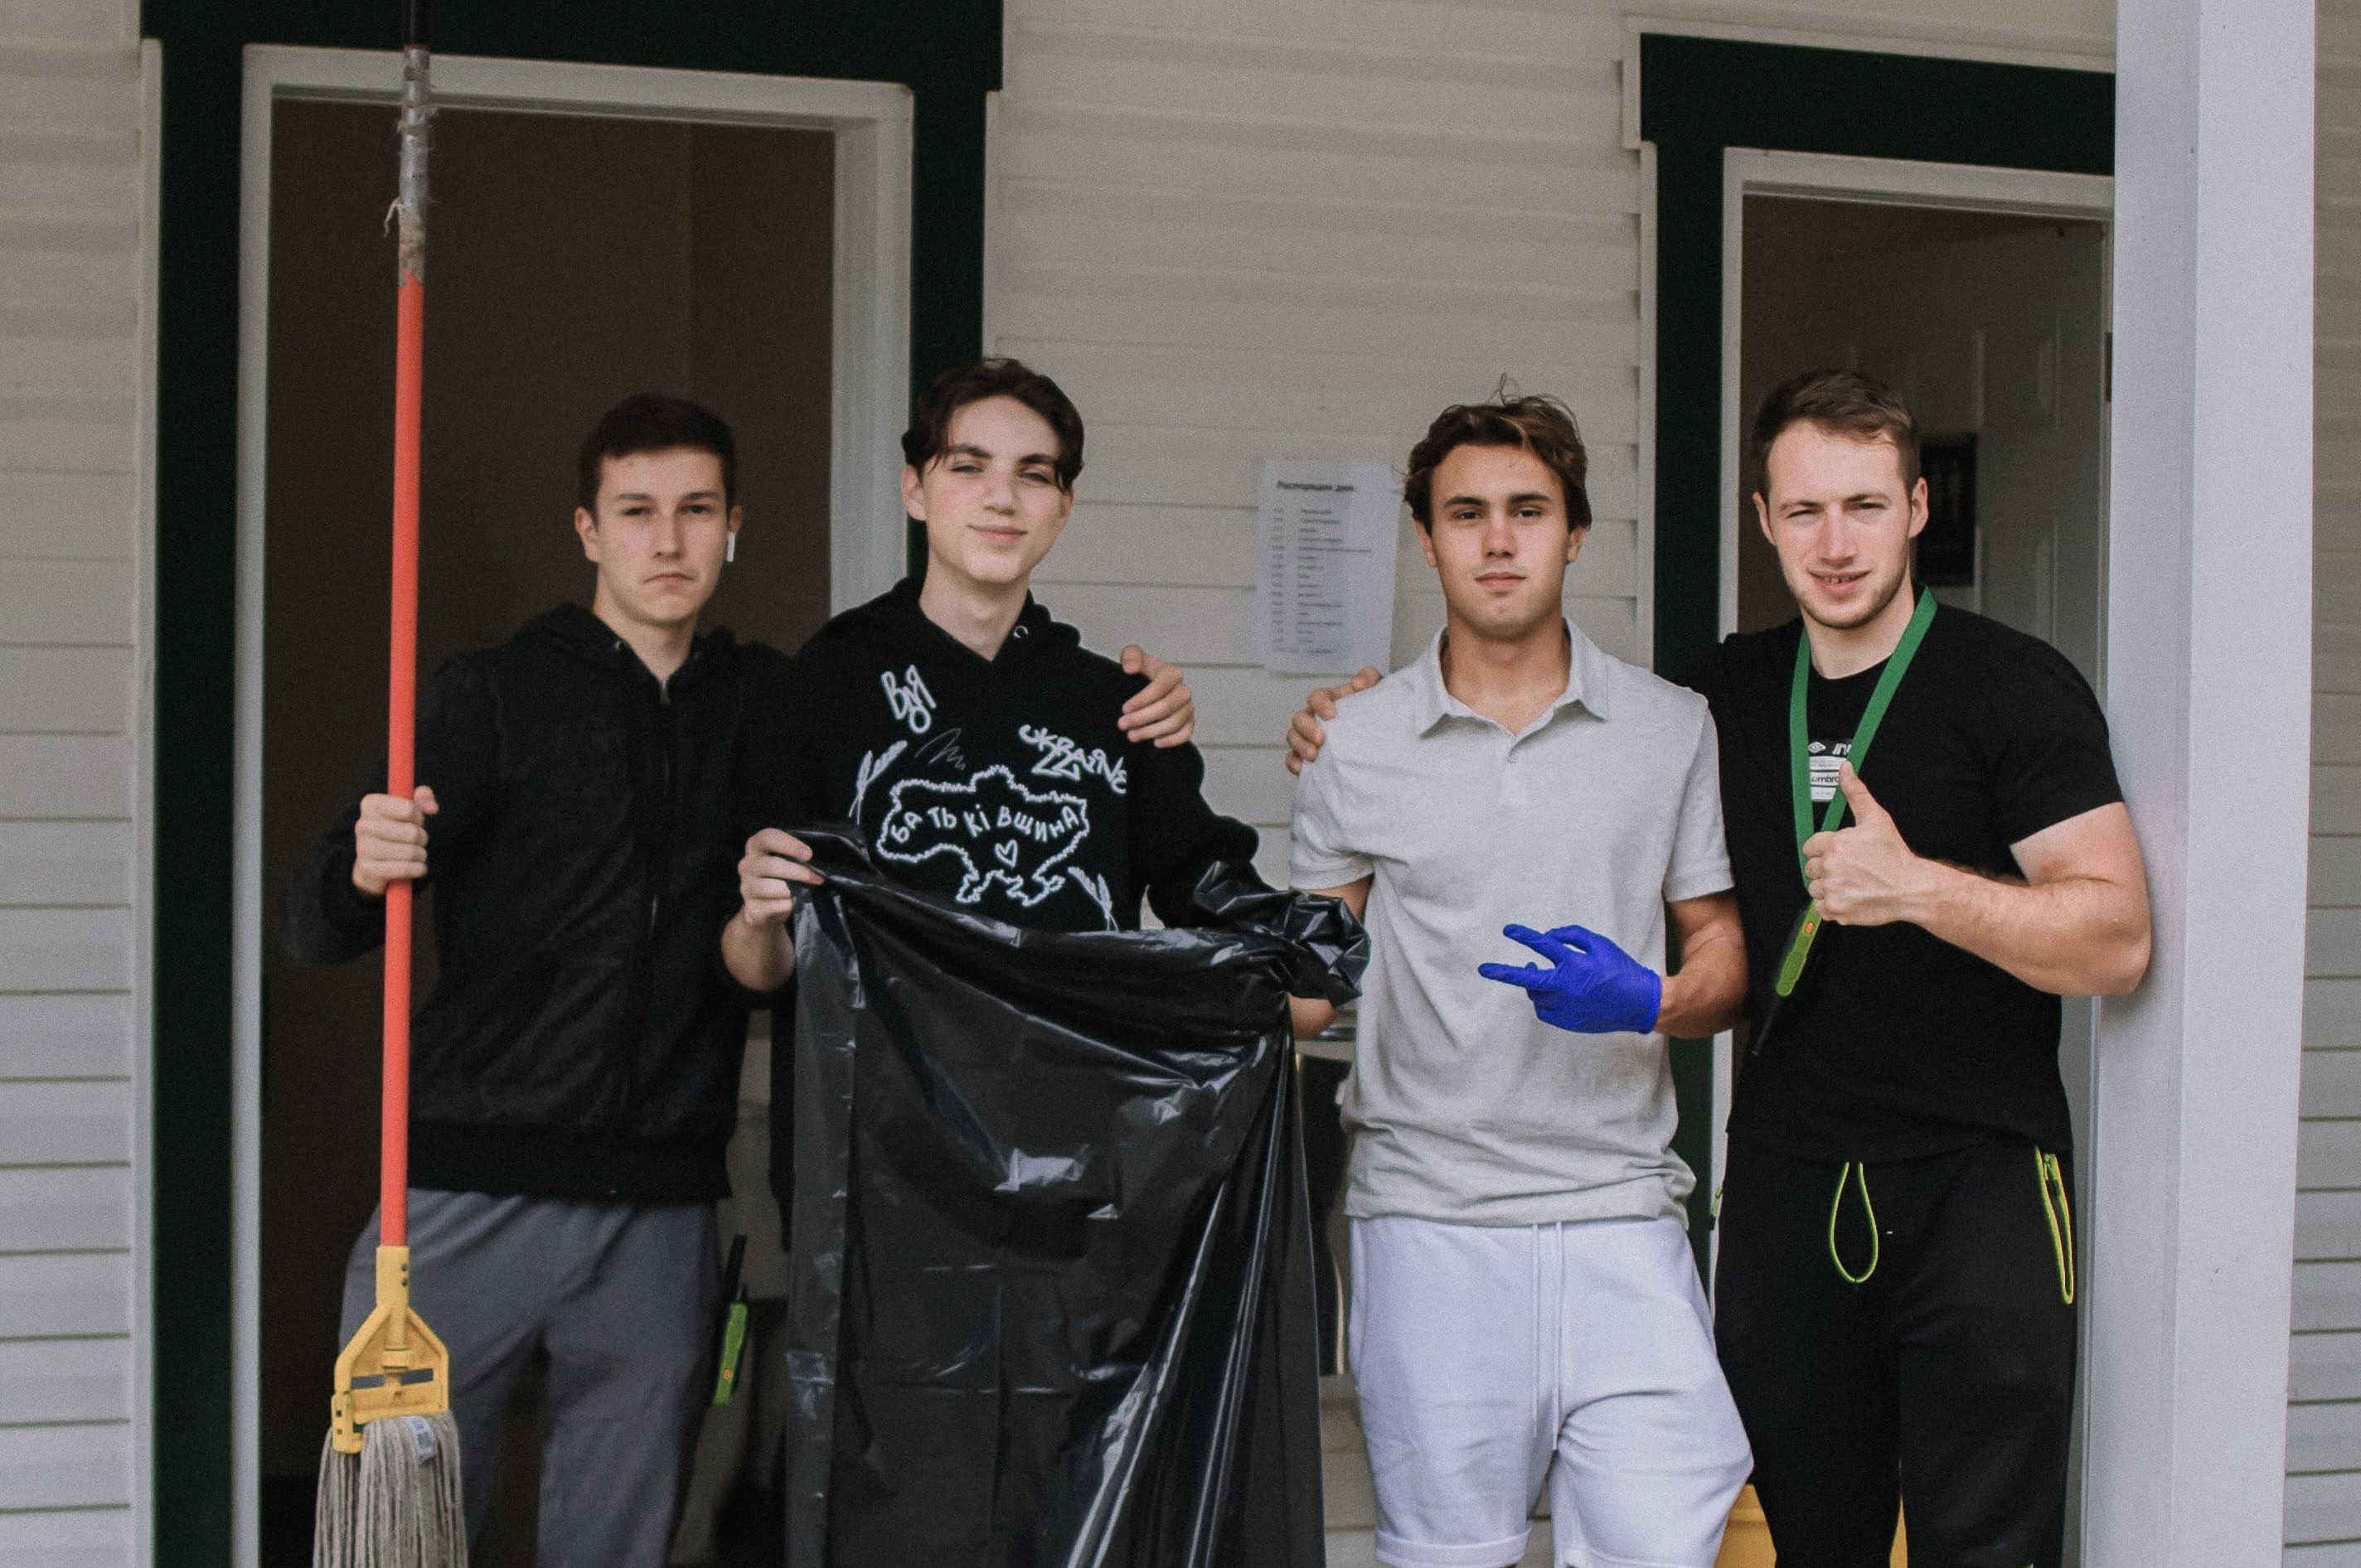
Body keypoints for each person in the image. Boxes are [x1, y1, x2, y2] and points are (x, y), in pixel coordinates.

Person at [279, 391, 1200, 1568]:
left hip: (664, 1209)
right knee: (388, 1544)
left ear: (735, 528)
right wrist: (362, 871)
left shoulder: (782, 700)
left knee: (622, 1545)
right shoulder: (492, 696)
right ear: (586, 530)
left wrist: (1138, 706)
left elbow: (950, 728)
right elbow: (315, 927)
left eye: (696, 511)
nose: (668, 542)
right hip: (464, 1196)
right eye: (637, 512)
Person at [1287, 370, 2154, 1568]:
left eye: (1863, 506)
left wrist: (1918, 890)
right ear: (1764, 521)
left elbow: (2118, 939)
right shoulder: (1724, 699)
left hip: (1977, 1177)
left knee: (1984, 1543)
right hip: (1786, 1185)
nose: (1835, 544)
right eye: (1805, 512)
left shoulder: (2008, 686)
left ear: (1915, 508)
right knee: (1808, 1534)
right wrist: (1342, 726)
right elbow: (1337, 943)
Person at [722, 357, 1329, 1556]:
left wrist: (1286, 970)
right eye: (970, 468)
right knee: (899, 1508)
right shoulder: (827, 685)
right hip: (880, 1181)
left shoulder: (1115, 704)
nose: (1001, 499)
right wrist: (754, 915)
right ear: (916, 489)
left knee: (1072, 1507)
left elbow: (1205, 886)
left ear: (1062, 507)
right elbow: (759, 966)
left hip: (1085, 1188)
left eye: (1034, 476)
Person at [1283, 391, 1753, 1568]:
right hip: (1429, 1216)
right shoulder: (1356, 739)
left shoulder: (1671, 727)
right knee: (1449, 1555)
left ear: (1575, 533)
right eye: (1467, 513)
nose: (1498, 540)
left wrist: (1645, 1000)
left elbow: (1725, 962)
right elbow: (1303, 985)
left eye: (1529, 511)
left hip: (1623, 1216)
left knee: (1657, 1545)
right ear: (1425, 535)